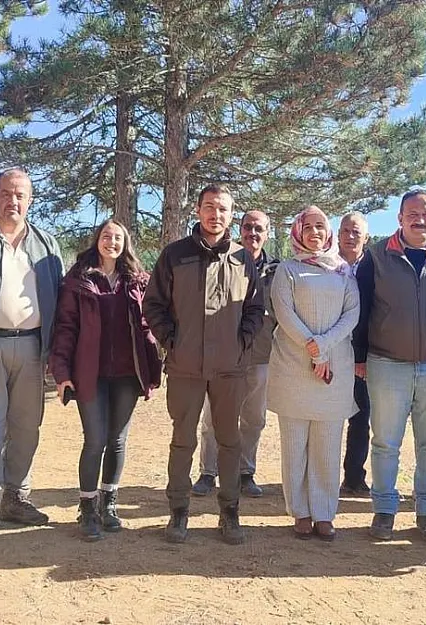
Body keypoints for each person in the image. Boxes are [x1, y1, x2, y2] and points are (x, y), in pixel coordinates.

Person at [142, 183, 265, 545]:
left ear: (231, 215)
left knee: (229, 441)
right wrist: (172, 342)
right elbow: (154, 305)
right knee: (183, 441)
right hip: (185, 367)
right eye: (210, 207)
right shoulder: (175, 255)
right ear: (198, 211)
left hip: (230, 368)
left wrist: (241, 342)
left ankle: (229, 514)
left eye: (223, 209)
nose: (216, 215)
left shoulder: (244, 259)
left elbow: (256, 309)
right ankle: (178, 513)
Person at [0, 168, 64, 541]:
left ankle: (15, 497)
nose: (12, 201)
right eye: (6, 194)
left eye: (19, 195)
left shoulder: (47, 245)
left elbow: (61, 302)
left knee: (26, 426)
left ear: (30, 200)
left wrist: (57, 351)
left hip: (34, 348)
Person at [355, 188, 426, 542]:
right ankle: (384, 511)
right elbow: (361, 310)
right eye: (412, 213)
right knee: (386, 441)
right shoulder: (376, 257)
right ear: (400, 218)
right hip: (387, 364)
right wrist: (359, 358)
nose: (420, 219)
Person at [50, 219, 162, 541]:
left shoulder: (137, 281)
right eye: (106, 236)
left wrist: (151, 371)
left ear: (125, 244)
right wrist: (62, 373)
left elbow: (146, 328)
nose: (111, 242)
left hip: (127, 374)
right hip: (91, 374)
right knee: (95, 439)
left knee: (117, 440)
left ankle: (109, 502)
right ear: (97, 240)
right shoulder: (78, 281)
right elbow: (66, 328)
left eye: (118, 238)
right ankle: (87, 507)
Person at [268, 206, 359, 541]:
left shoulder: (343, 270)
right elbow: (284, 312)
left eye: (321, 226)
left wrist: (322, 347)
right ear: (298, 232)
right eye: (309, 227)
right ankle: (301, 512)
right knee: (295, 446)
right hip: (294, 368)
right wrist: (311, 347)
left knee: (326, 445)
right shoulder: (288, 270)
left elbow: (352, 313)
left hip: (333, 371)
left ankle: (324, 513)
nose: (316, 233)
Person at [192, 210, 278, 499]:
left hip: (261, 355)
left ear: (267, 233)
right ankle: (207, 472)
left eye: (260, 228)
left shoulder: (277, 271)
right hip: (222, 356)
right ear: (239, 230)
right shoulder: (225, 260)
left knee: (254, 419)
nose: (253, 233)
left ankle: (245, 473)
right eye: (248, 227)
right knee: (213, 417)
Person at [337, 211, 373, 496]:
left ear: (366, 238)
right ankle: (320, 474)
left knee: (361, 417)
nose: (350, 237)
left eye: (356, 232)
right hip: (330, 351)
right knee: (327, 416)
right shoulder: (325, 264)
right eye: (345, 231)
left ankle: (353, 476)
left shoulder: (375, 267)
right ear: (337, 234)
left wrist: (362, 356)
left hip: (362, 355)